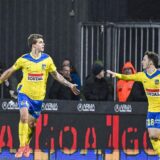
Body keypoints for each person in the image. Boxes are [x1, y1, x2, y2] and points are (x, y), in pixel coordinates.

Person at [0, 34, 79, 158]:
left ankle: (26, 145)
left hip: (38, 98)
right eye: (41, 42)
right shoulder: (23, 59)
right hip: (24, 93)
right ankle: (21, 146)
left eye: (43, 42)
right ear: (34, 45)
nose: (43, 44)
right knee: (24, 117)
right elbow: (10, 71)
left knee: (32, 124)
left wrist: (70, 85)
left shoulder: (47, 59)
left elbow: (56, 75)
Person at [107, 51, 160, 157]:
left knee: (155, 134)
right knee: (153, 136)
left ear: (150, 63)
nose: (142, 62)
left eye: (144, 60)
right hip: (151, 111)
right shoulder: (142, 76)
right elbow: (127, 77)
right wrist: (116, 74)